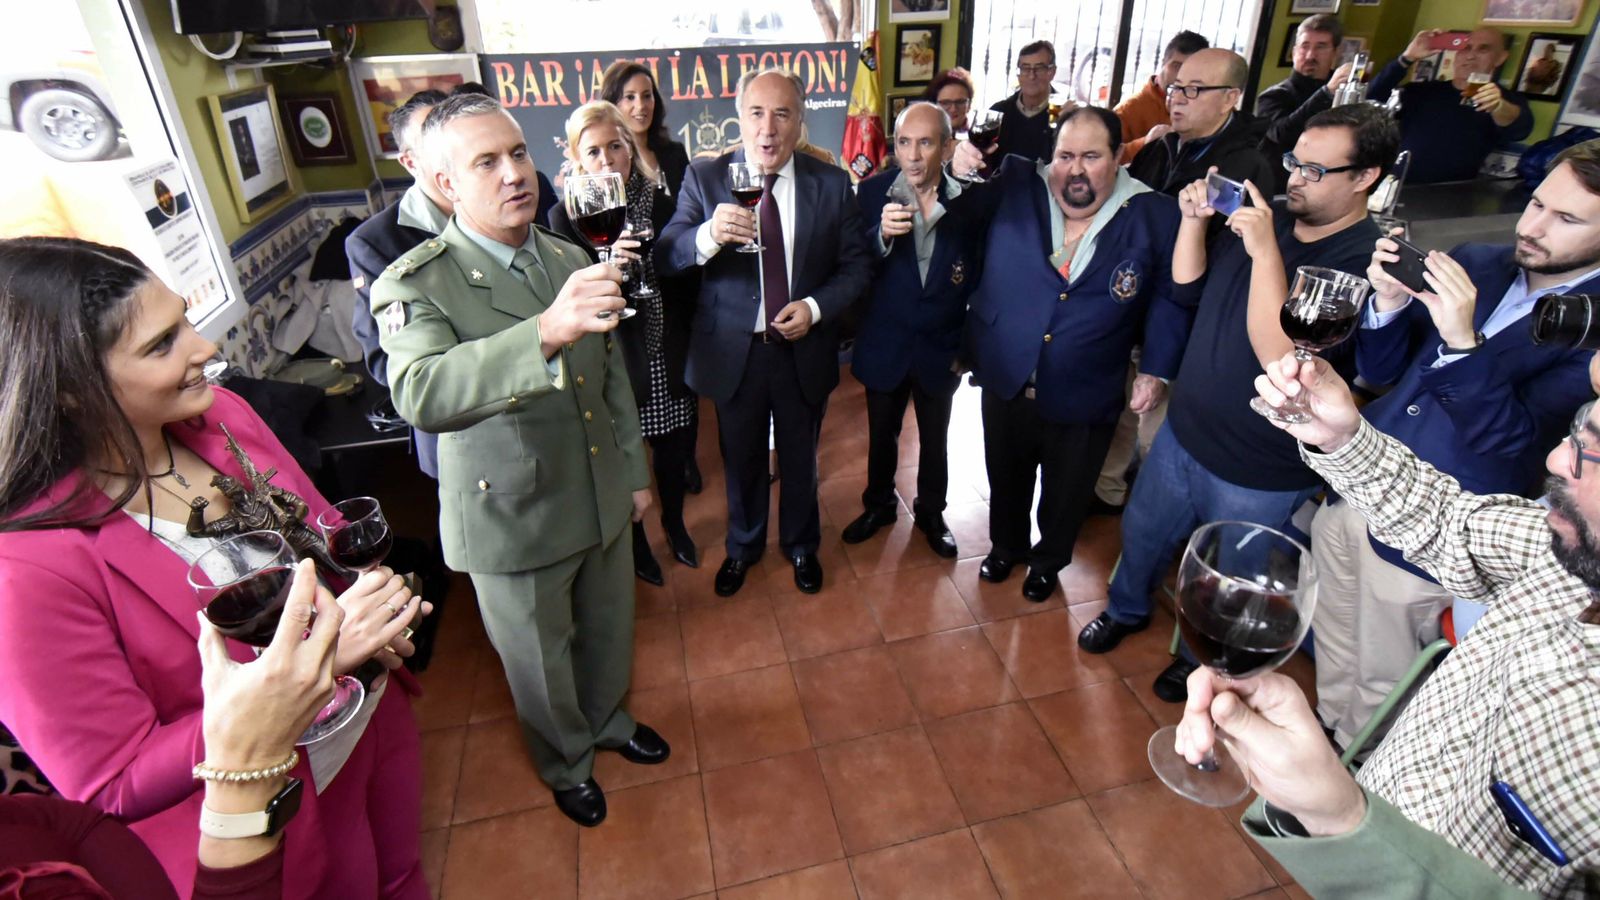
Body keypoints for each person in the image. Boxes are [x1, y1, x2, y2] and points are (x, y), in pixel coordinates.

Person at [0, 237, 428, 898]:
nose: (203, 349)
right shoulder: (28, 568)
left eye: (186, 321)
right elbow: (113, 778)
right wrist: (313, 667)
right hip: (281, 801)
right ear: (68, 393)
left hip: (372, 710)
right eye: (161, 344)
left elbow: (323, 532)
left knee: (401, 876)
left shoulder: (218, 414)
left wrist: (376, 602)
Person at [370, 93, 669, 828]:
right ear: (445, 184)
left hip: (597, 489)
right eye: (486, 162)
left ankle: (608, 722)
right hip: (511, 511)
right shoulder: (415, 282)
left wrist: (634, 474)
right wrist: (543, 331)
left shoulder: (568, 254)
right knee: (539, 659)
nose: (514, 174)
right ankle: (565, 759)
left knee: (607, 630)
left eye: (518, 153)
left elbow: (608, 381)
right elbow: (420, 391)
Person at [1221, 350, 1600, 897]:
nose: (1559, 460)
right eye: (1577, 433)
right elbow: (1450, 521)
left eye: (1593, 453)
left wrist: (1345, 822)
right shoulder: (1564, 557)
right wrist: (1343, 436)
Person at [1079, 105, 1396, 704]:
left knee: (1228, 578)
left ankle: (1195, 658)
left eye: (1316, 170)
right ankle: (1125, 611)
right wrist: (1193, 222)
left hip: (1260, 465)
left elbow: (1281, 354)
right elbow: (1185, 286)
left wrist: (1264, 252)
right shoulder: (1267, 220)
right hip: (1185, 430)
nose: (1296, 178)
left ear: (1365, 177)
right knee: (1143, 533)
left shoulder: (1361, 263)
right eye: (1294, 162)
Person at [1310, 140, 1600, 752]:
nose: (1532, 227)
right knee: (1335, 630)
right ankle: (1329, 723)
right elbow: (1385, 371)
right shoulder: (1481, 262)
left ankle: (1351, 762)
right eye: (1537, 203)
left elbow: (1515, 453)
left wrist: (1463, 343)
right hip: (1356, 483)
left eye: (1566, 219)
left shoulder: (1592, 338)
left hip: (1435, 529)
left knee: (1384, 667)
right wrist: (1387, 306)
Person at [948, 106, 1187, 602]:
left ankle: (1047, 561)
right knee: (1006, 473)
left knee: (1068, 490)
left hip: (1088, 381)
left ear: (1119, 157)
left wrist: (1156, 371)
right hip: (1008, 370)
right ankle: (1006, 548)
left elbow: (1168, 297)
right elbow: (960, 216)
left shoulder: (1154, 214)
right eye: (1065, 155)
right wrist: (959, 170)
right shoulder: (1014, 181)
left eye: (1091, 157)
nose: (1075, 169)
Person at [0, 558, 340, 898]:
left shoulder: (28, 818)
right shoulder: (20, 574)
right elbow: (110, 786)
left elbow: (77, 825)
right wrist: (242, 753)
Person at [659, 69, 872, 597]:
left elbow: (857, 268)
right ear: (740, 118)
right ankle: (743, 546)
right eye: (757, 113)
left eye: (782, 113)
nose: (768, 128)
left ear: (801, 120)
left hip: (803, 348)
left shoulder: (830, 183)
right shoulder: (705, 178)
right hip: (736, 353)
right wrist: (708, 235)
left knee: (801, 458)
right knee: (742, 459)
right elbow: (668, 253)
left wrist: (816, 307)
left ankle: (801, 546)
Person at [547, 101, 700, 584]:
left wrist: (658, 262)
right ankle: (637, 546)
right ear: (575, 159)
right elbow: (565, 297)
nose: (607, 158)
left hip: (664, 349)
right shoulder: (562, 217)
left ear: (630, 150)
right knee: (621, 462)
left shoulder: (660, 201)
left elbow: (684, 272)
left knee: (674, 454)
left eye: (616, 146)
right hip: (611, 360)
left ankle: (676, 526)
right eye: (593, 151)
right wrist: (607, 261)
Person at [840, 102, 981, 557]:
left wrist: (969, 345)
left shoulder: (967, 199)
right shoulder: (872, 193)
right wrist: (879, 237)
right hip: (886, 343)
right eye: (904, 143)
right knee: (882, 436)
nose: (914, 155)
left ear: (945, 146)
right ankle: (879, 505)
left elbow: (980, 276)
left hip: (942, 345)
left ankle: (932, 513)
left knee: (936, 439)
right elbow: (853, 264)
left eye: (925, 142)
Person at [599, 60, 705, 497]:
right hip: (633, 297)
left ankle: (686, 460)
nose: (640, 105)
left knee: (685, 385)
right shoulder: (604, 167)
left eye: (646, 96)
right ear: (613, 103)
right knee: (641, 398)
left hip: (677, 283)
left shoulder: (674, 154)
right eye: (629, 97)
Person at [1366, 27, 1533, 184]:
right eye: (1466, 48)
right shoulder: (1422, 91)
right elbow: (1369, 98)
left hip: (1449, 196)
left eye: (1483, 49)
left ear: (1501, 58)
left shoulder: (1504, 99)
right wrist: (1407, 57)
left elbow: (1520, 128)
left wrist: (1497, 105)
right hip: (1392, 184)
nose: (1471, 56)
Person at [1127, 48, 1275, 198]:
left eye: (1194, 89)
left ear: (1229, 99)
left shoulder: (1247, 168)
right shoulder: (1157, 148)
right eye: (1177, 87)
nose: (1177, 99)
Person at [1255, 14, 1354, 192]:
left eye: (1321, 47)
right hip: (1280, 192)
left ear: (1336, 53)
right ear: (1294, 52)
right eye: (1304, 46)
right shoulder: (1274, 96)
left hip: (1328, 189)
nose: (1310, 55)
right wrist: (1326, 93)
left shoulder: (1344, 92)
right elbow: (1283, 133)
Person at [1114, 30, 1210, 165]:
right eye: (1177, 66)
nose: (1182, 74)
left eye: (1193, 69)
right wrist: (1145, 143)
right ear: (1163, 63)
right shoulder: (1128, 111)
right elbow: (1107, 162)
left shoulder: (1210, 108)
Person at [988, 40, 1060, 164]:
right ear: (1018, 73)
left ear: (1052, 72)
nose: (1032, 76)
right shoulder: (999, 112)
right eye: (1025, 68)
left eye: (1039, 68)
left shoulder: (1060, 112)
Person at [921, 67, 976, 134]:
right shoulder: (920, 135)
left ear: (969, 105)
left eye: (960, 102)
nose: (953, 109)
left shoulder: (977, 140)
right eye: (945, 103)